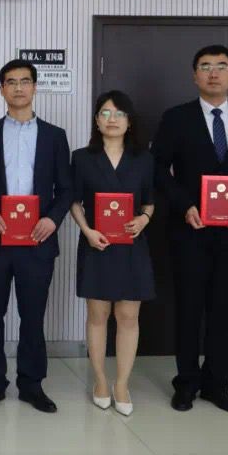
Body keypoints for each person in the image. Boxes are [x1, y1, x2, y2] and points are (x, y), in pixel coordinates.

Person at [152, 44, 228, 414]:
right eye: (205, 66)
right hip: (189, 228)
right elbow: (157, 168)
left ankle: (217, 385)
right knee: (189, 308)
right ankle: (186, 383)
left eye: (221, 66)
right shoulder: (176, 118)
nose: (213, 73)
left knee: (223, 309)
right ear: (194, 75)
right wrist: (184, 205)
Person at [0, 59, 71, 413]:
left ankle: (32, 385)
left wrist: (53, 220)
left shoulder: (54, 136)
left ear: (34, 87)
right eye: (11, 82)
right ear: (1, 89)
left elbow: (66, 189)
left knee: (32, 317)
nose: (18, 88)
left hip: (37, 241)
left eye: (25, 81)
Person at [69, 91, 155, 416]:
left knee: (129, 316)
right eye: (105, 113)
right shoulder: (82, 157)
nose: (112, 119)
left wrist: (144, 219)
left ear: (129, 121)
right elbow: (74, 200)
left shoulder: (144, 159)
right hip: (97, 244)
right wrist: (87, 231)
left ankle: (122, 383)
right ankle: (101, 381)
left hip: (132, 245)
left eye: (119, 113)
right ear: (96, 121)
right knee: (98, 314)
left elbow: (150, 201)